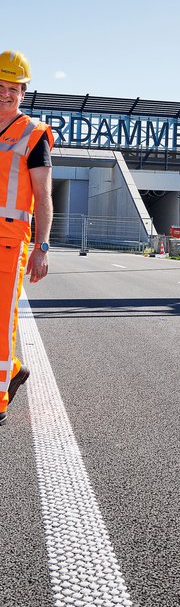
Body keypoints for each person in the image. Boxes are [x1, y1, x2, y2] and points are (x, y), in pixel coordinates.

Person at [0, 50, 53, 426]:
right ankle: (14, 369)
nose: (5, 94)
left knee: (0, 321)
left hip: (9, 241)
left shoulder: (33, 135)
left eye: (12, 88)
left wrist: (42, 246)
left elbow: (43, 194)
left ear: (23, 91)